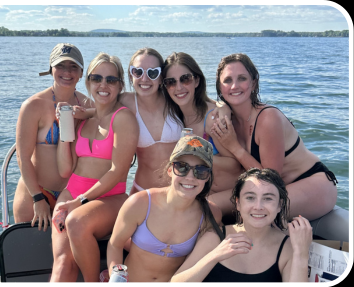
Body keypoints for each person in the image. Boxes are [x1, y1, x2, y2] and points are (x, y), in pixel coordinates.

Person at [209, 53, 338, 220]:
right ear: (219, 87)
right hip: (275, 189)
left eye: (242, 78)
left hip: (312, 183)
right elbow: (203, 102)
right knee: (208, 204)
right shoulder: (228, 119)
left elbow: (270, 182)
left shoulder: (268, 118)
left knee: (259, 208)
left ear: (253, 83)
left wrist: (234, 146)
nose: (234, 86)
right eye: (227, 80)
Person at [50, 52, 139, 282]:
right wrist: (64, 128)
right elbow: (65, 169)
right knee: (61, 264)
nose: (103, 84)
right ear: (88, 82)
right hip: (71, 194)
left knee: (76, 221)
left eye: (111, 80)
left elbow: (118, 171)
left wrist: (80, 201)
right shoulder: (84, 120)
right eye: (97, 78)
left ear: (120, 85)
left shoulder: (123, 118)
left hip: (109, 199)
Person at [107, 136, 224, 282]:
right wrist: (117, 279)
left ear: (207, 177)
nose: (190, 177)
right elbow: (115, 244)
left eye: (200, 171)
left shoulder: (211, 214)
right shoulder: (140, 203)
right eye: (182, 167)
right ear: (170, 170)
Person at [172, 168, 313, 282]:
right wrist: (214, 256)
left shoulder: (287, 248)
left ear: (279, 206)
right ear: (238, 203)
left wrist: (301, 253)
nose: (258, 206)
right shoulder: (215, 238)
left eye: (268, 198)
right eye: (250, 198)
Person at [13, 43, 89, 231]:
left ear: (81, 73)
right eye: (60, 66)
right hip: (37, 192)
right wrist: (37, 198)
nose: (67, 72)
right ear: (51, 69)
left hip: (71, 197)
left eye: (73, 67)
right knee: (31, 256)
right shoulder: (33, 106)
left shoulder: (88, 104)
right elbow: (22, 157)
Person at [162, 52, 243, 194]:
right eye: (171, 82)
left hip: (227, 196)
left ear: (197, 81)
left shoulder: (213, 118)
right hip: (198, 194)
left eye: (185, 79)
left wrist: (196, 152)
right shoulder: (174, 117)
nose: (179, 87)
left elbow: (235, 166)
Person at [120, 48, 183, 195]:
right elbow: (100, 109)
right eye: (138, 72)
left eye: (152, 73)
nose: (144, 79)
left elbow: (202, 105)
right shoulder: (125, 102)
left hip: (178, 193)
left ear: (161, 77)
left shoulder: (174, 98)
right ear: (131, 74)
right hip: (142, 193)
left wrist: (221, 107)